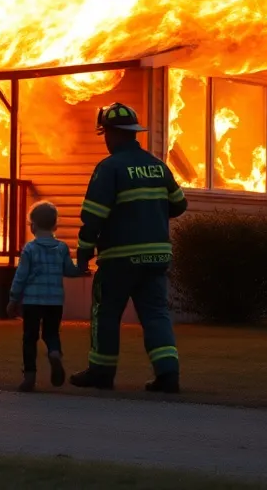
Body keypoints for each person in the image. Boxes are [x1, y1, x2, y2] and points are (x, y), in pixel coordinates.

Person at [69, 101, 188, 394]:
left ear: (112, 133)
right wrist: (152, 213)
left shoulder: (109, 168)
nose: (106, 140)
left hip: (119, 259)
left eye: (106, 134)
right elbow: (180, 204)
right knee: (156, 314)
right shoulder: (158, 166)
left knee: (106, 313)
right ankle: (168, 374)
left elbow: (93, 217)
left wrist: (84, 253)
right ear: (133, 132)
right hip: (157, 257)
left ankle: (101, 372)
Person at [7, 200, 83, 392]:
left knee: (30, 337)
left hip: (32, 301)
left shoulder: (30, 249)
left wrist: (13, 298)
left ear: (32, 226)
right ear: (55, 225)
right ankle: (55, 354)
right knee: (51, 333)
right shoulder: (62, 248)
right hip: (55, 301)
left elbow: (21, 276)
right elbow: (69, 270)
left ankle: (30, 376)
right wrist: (81, 270)